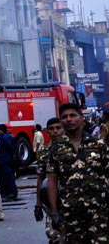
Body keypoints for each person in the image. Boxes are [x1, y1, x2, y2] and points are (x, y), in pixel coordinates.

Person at [46, 103, 109, 243]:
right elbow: (52, 179)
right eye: (64, 117)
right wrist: (54, 211)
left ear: (82, 118)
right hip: (71, 212)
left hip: (99, 211)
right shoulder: (55, 148)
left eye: (73, 115)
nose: (68, 119)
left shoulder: (98, 145)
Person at [34, 117, 64, 244]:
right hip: (53, 202)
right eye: (51, 129)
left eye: (58, 128)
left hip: (74, 199)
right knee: (55, 236)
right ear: (47, 131)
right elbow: (40, 178)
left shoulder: (74, 147)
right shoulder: (44, 152)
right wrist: (38, 205)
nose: (55, 131)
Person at [0, 123, 18, 201]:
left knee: (8, 177)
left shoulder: (4, 138)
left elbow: (10, 147)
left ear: (1, 130)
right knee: (5, 177)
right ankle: (9, 192)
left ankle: (12, 193)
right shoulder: (5, 137)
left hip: (5, 161)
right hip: (5, 160)